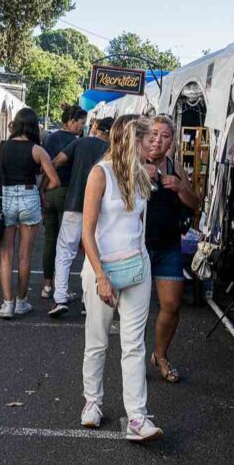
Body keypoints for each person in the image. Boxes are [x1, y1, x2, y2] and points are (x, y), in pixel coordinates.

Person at [79, 114, 163, 442]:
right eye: (148, 140)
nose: (153, 146)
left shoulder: (141, 174)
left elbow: (138, 225)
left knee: (133, 345)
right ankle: (93, 403)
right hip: (102, 269)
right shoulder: (100, 174)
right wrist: (100, 276)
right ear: (132, 140)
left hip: (136, 267)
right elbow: (87, 232)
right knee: (97, 340)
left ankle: (138, 419)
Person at [145, 116, 201, 383]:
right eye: (154, 134)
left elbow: (194, 203)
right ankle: (131, 363)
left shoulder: (174, 166)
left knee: (171, 305)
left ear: (172, 141)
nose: (158, 139)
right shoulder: (133, 162)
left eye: (165, 135)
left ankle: (161, 355)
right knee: (136, 310)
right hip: (138, 247)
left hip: (168, 246)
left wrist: (179, 186)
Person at [0, 107, 60, 319]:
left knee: (6, 254)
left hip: (6, 199)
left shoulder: (1, 147)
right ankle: (22, 301)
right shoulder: (37, 150)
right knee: (24, 255)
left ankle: (7, 304)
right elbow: (55, 180)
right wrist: (42, 190)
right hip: (29, 198)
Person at [48, 116, 113, 317]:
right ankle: (89, 301)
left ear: (96, 128)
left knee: (65, 250)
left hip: (75, 201)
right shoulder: (111, 151)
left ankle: (59, 298)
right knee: (95, 253)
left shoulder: (80, 142)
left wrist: (50, 183)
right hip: (102, 208)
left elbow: (57, 161)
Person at [40, 104, 87, 301]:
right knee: (66, 244)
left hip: (50, 191)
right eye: (81, 123)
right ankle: (62, 288)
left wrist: (42, 189)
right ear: (72, 121)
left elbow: (45, 165)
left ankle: (47, 284)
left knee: (50, 239)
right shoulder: (77, 142)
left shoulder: (50, 138)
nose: (82, 127)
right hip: (69, 193)